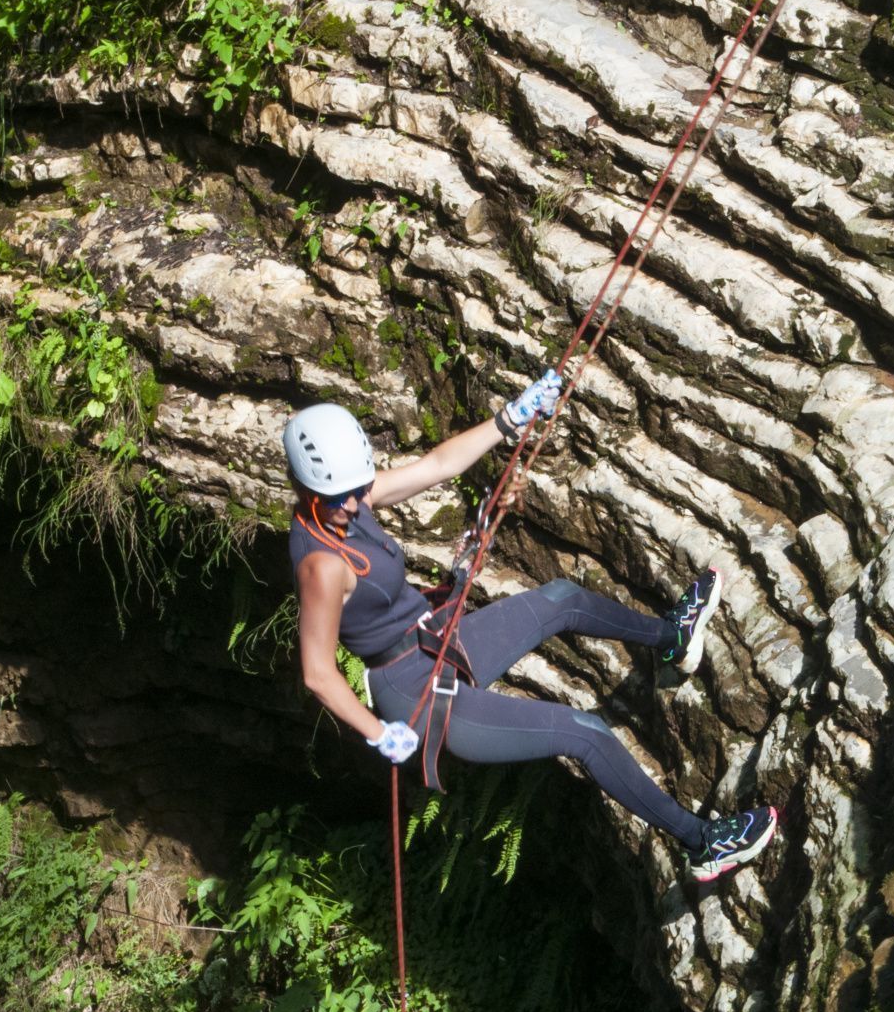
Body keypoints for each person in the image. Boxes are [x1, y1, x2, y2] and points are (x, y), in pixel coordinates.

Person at [285, 371, 779, 882]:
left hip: (437, 640)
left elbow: (435, 465)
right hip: (416, 697)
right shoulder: (320, 566)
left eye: (356, 489)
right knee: (583, 733)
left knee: (561, 599)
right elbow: (319, 672)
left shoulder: (347, 499)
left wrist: (510, 417)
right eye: (338, 496)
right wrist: (377, 733)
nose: (353, 503)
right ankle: (703, 844)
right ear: (307, 488)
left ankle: (673, 638)